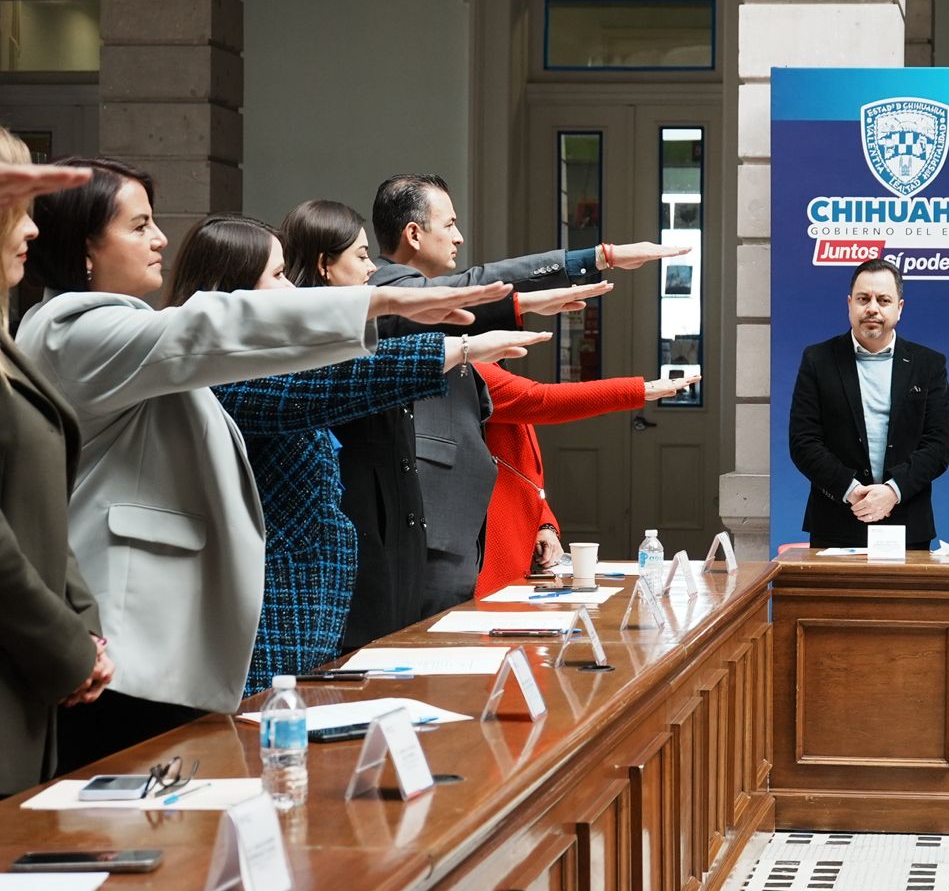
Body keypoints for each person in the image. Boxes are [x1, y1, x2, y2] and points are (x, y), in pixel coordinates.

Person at [17, 157, 514, 769]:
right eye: (139, 225)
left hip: (168, 637)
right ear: (84, 247)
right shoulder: (76, 328)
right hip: (133, 639)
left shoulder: (123, 331)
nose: (160, 238)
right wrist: (384, 304)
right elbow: (217, 328)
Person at [164, 214, 541, 693]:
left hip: (310, 610)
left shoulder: (260, 359)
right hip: (269, 613)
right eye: (277, 275)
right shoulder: (218, 374)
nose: (292, 288)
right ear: (232, 293)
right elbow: (338, 382)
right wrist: (459, 349)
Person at [275, 199, 602, 649]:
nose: (372, 269)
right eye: (362, 256)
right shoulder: (324, 338)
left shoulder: (363, 325)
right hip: (355, 543)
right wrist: (490, 330)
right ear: (324, 266)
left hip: (406, 532)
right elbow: (407, 348)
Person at [368, 173, 685, 614]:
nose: (459, 237)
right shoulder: (389, 293)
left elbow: (518, 443)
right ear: (414, 234)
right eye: (449, 224)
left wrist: (545, 519)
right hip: (436, 528)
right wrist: (598, 258)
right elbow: (533, 395)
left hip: (464, 524)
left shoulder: (438, 308)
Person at [0, 129, 110, 796]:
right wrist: (68, 648)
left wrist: (84, 632)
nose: (33, 230)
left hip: (30, 677)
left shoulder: (8, 344)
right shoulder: (74, 324)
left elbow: (41, 510)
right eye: (17, 209)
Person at [474, 364, 702, 598]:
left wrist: (544, 524)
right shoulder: (472, 368)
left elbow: (519, 466)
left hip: (511, 537)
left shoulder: (485, 364)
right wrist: (641, 390)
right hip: (491, 543)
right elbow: (540, 400)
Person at [789, 258, 949, 549]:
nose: (872, 308)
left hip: (907, 523)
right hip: (836, 521)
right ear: (849, 304)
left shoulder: (928, 364)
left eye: (883, 300)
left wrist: (893, 491)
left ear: (899, 308)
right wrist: (851, 491)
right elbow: (804, 442)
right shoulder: (818, 360)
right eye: (863, 299)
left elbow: (938, 445)